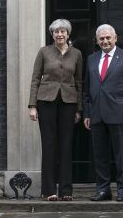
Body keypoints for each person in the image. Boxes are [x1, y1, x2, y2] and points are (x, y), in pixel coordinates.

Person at [83, 24, 123, 202]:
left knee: (121, 155)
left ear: (115, 38)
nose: (105, 41)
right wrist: (87, 113)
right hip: (97, 115)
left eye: (108, 38)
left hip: (120, 115)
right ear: (97, 41)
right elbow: (86, 90)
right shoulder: (91, 59)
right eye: (101, 38)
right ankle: (103, 190)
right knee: (99, 156)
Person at [28, 19, 83, 201]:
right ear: (52, 35)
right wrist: (32, 106)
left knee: (66, 146)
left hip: (69, 102)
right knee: (49, 144)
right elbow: (35, 78)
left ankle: (66, 191)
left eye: (63, 31)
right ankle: (49, 190)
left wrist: (79, 109)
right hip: (46, 101)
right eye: (56, 32)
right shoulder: (44, 52)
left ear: (68, 34)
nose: (60, 34)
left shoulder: (77, 54)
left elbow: (79, 82)